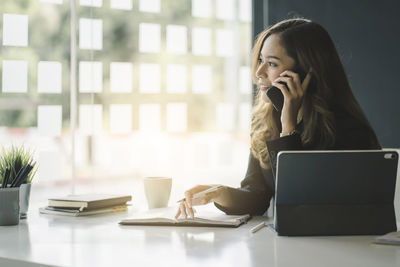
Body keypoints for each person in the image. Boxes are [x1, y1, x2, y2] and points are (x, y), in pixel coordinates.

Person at [175, 18, 381, 219]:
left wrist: (288, 128)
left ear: (305, 73)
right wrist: (218, 193)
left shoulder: (349, 132)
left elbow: (299, 204)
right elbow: (256, 195)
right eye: (260, 61)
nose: (259, 73)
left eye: (272, 63)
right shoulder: (265, 122)